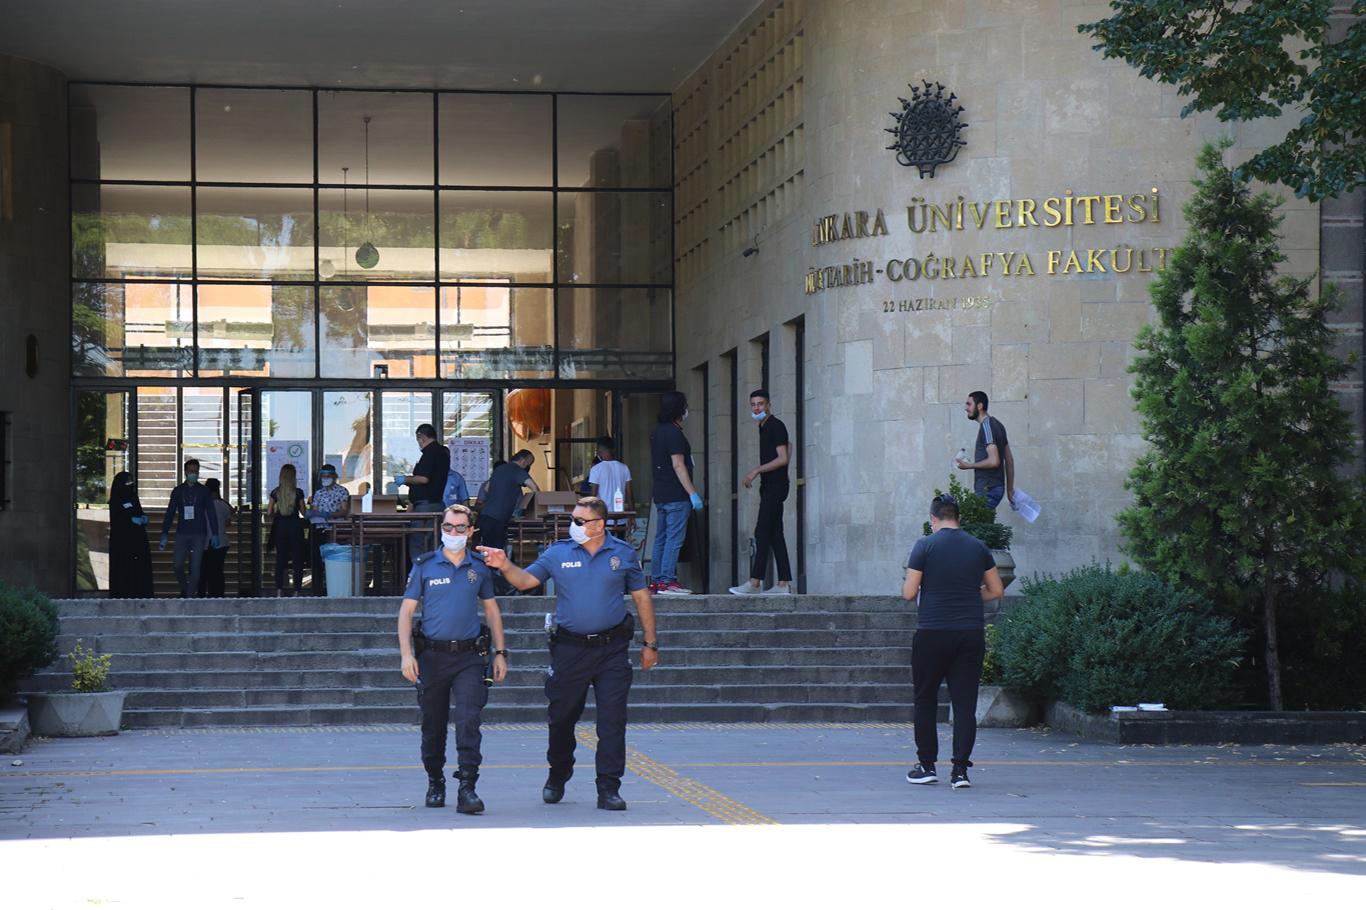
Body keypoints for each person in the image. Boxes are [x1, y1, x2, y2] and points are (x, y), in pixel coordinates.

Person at [480, 496, 658, 811]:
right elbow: (526, 581)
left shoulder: (623, 553)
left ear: (599, 525)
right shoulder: (558, 552)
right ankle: (558, 773)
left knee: (612, 721)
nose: (572, 526)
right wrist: (504, 564)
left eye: (579, 521)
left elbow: (642, 598)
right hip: (569, 650)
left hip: (612, 650)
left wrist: (650, 643)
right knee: (561, 718)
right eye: (572, 520)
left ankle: (609, 787)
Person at [398, 504, 508, 813]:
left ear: (470, 531)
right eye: (448, 527)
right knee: (433, 725)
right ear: (441, 528)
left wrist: (500, 653)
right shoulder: (425, 565)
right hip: (432, 657)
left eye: (460, 528)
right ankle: (435, 781)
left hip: (469, 657)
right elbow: (406, 611)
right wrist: (406, 654)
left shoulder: (479, 567)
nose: (453, 532)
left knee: (469, 720)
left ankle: (467, 787)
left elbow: (491, 610)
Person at [901, 493, 1005, 789]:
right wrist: (970, 597)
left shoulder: (924, 545)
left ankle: (926, 765)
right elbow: (996, 590)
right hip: (969, 633)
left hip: (932, 632)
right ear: (958, 517)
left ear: (933, 518)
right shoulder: (978, 546)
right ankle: (960, 771)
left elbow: (909, 593)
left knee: (925, 699)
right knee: (964, 703)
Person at [729, 389, 793, 596]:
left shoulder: (775, 425)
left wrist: (756, 470)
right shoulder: (763, 427)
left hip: (775, 486)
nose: (757, 408)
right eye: (753, 404)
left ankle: (755, 582)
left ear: (769, 405)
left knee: (762, 531)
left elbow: (783, 457)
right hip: (770, 485)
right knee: (775, 534)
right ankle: (783, 583)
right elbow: (789, 447)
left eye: (760, 404)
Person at [649, 391, 703, 595]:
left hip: (661, 494)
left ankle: (656, 581)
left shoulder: (657, 432)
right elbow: (678, 465)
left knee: (660, 538)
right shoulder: (674, 433)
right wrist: (692, 493)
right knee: (674, 539)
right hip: (676, 494)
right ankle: (667, 580)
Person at [159, 459, 221, 597]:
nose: (194, 474)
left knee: (195, 566)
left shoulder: (204, 491)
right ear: (185, 472)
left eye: (196, 471)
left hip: (199, 533)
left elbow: (211, 513)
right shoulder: (178, 491)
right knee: (177, 565)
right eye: (191, 471)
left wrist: (215, 533)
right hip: (182, 532)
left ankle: (190, 595)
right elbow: (170, 512)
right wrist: (164, 532)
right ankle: (186, 588)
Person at [475, 450, 539, 569]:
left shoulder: (499, 470)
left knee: (487, 551)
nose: (528, 467)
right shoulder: (517, 470)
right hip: (499, 518)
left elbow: (487, 488)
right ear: (522, 460)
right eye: (529, 463)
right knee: (497, 553)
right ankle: (495, 578)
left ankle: (487, 576)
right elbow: (534, 488)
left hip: (486, 515)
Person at [398, 424, 452, 563]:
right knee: (434, 544)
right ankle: (434, 573)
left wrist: (405, 479)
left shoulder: (430, 453)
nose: (419, 443)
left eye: (418, 439)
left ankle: (419, 573)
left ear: (421, 436)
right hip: (437, 504)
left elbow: (423, 478)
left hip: (425, 506)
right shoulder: (443, 452)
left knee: (418, 543)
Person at [955, 391, 1014, 511]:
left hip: (988, 489)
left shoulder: (987, 426)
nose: (966, 408)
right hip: (995, 488)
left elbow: (994, 461)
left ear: (980, 406)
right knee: (982, 522)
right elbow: (1009, 460)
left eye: (969, 404)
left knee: (972, 521)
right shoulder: (998, 425)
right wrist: (1009, 490)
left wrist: (969, 465)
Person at [108, 471, 153, 598]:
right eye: (127, 482)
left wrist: (143, 518)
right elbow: (116, 519)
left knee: (139, 568)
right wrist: (130, 520)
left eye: (131, 481)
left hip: (137, 539)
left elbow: (139, 511)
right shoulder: (116, 500)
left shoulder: (133, 497)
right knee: (124, 569)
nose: (130, 484)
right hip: (122, 542)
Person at [308, 464, 351, 594]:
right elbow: (315, 510)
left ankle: (335, 587)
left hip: (336, 530)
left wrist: (331, 515)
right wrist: (313, 514)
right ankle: (318, 589)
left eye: (328, 476)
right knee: (317, 559)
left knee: (334, 559)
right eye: (323, 476)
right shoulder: (318, 493)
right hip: (320, 529)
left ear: (334, 476)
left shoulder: (342, 491)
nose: (325, 479)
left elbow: (344, 510)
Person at [268, 463, 307, 597]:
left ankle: (279, 590)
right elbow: (303, 512)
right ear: (293, 477)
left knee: (280, 558)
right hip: (295, 526)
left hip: (280, 526)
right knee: (297, 558)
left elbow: (269, 512)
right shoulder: (298, 492)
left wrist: (277, 512)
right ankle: (297, 590)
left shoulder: (275, 492)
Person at [197, 478, 234, 597]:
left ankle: (202, 596)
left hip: (205, 543)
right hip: (222, 542)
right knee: (218, 571)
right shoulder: (224, 505)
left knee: (203, 571)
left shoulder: (202, 504)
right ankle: (218, 595)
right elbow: (228, 523)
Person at [587, 435, 632, 529]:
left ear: (599, 450)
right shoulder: (624, 468)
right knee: (619, 538)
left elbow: (594, 494)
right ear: (613, 450)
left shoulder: (596, 469)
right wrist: (632, 516)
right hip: (620, 518)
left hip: (602, 518)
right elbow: (629, 494)